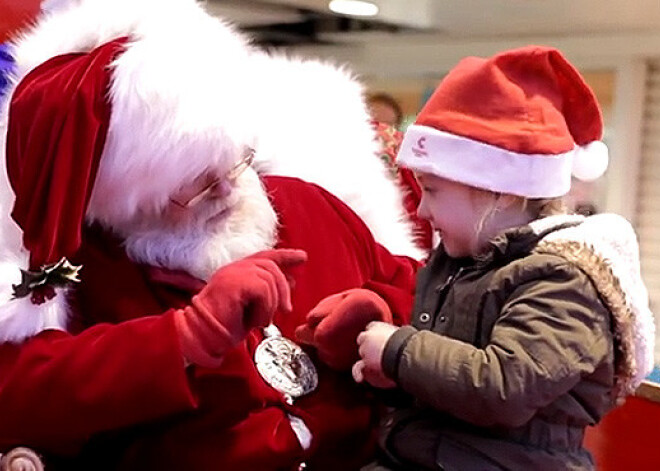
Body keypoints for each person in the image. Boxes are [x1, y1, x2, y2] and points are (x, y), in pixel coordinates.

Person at [0, 0, 422, 469]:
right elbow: (18, 393)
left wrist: (383, 314)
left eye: (235, 159)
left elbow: (428, 290)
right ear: (130, 202)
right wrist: (182, 337)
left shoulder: (311, 205)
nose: (227, 188)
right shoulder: (79, 270)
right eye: (196, 182)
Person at [315, 46, 655, 470]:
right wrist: (397, 378)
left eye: (433, 190)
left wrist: (400, 351)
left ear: (502, 191)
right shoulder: (457, 265)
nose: (421, 210)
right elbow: (450, 383)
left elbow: (505, 388)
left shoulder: (564, 280)